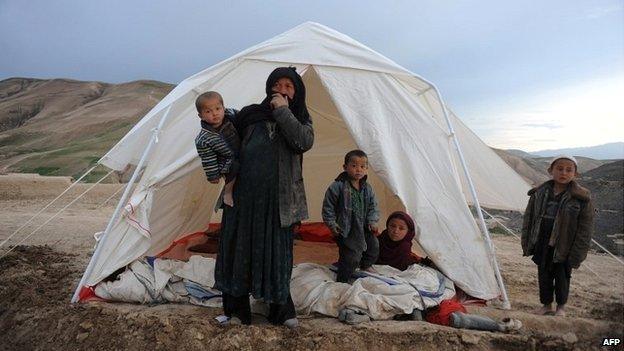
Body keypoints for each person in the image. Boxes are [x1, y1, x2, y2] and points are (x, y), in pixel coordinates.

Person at [213, 67, 314, 329]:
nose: (282, 89)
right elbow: (226, 140)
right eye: (277, 84)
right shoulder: (249, 114)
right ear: (269, 87)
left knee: (277, 256)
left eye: (288, 86)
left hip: (279, 202)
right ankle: (237, 312)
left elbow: (303, 142)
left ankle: (280, 311)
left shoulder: (301, 120)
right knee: (238, 251)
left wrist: (282, 111)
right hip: (243, 198)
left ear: (296, 92)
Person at [376, 211, 522, 332]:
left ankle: (499, 326)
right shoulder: (377, 242)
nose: (395, 231)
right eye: (392, 226)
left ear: (409, 232)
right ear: (387, 226)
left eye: (401, 228)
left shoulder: (406, 249)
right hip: (390, 282)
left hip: (415, 288)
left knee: (442, 310)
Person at [521, 155, 594, 317]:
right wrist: (527, 241)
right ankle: (546, 305)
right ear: (550, 171)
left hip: (565, 243)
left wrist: (578, 252)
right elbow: (529, 218)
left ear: (575, 174)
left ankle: (561, 307)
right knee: (544, 273)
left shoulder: (581, 197)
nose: (564, 173)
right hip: (542, 239)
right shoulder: (539, 193)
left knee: (562, 274)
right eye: (559, 169)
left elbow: (585, 228)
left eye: (569, 170)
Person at [322, 149, 380, 283]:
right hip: (346, 229)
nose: (358, 170)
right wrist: (332, 224)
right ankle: (342, 280)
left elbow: (373, 206)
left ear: (366, 169)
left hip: (364, 227)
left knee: (373, 245)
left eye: (363, 166)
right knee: (350, 256)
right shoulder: (337, 187)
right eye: (354, 166)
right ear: (345, 167)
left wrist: (372, 220)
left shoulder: (367, 188)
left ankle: (365, 265)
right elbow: (328, 207)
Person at [194, 91, 240, 207]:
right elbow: (208, 159)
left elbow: (246, 119)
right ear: (201, 116)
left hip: (242, 149)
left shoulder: (233, 115)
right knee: (234, 168)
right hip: (227, 161)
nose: (214, 114)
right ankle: (227, 192)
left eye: (218, 109)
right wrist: (213, 175)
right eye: (208, 111)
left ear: (223, 108)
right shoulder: (204, 138)